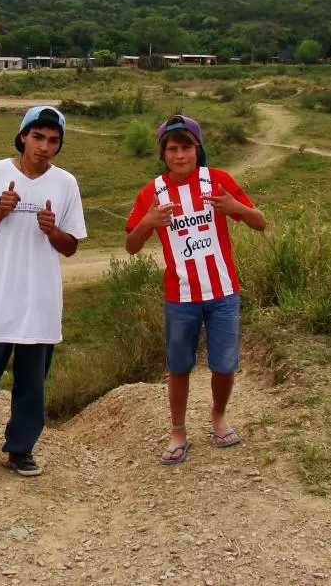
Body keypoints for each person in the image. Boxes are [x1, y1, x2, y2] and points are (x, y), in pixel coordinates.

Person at [0, 105, 87, 476]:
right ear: (22, 136)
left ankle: (20, 449)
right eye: (37, 137)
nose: (44, 146)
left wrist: (53, 230)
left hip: (39, 302)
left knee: (31, 385)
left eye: (53, 141)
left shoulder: (65, 183)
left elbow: (70, 247)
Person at [125, 114, 266, 465]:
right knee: (179, 366)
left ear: (197, 149)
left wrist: (236, 208)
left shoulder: (217, 181)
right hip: (180, 296)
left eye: (186, 147)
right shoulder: (152, 191)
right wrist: (147, 223)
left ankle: (218, 417)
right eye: (172, 148)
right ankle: (178, 431)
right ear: (163, 153)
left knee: (224, 364)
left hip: (223, 293)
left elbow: (260, 222)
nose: (179, 155)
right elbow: (131, 245)